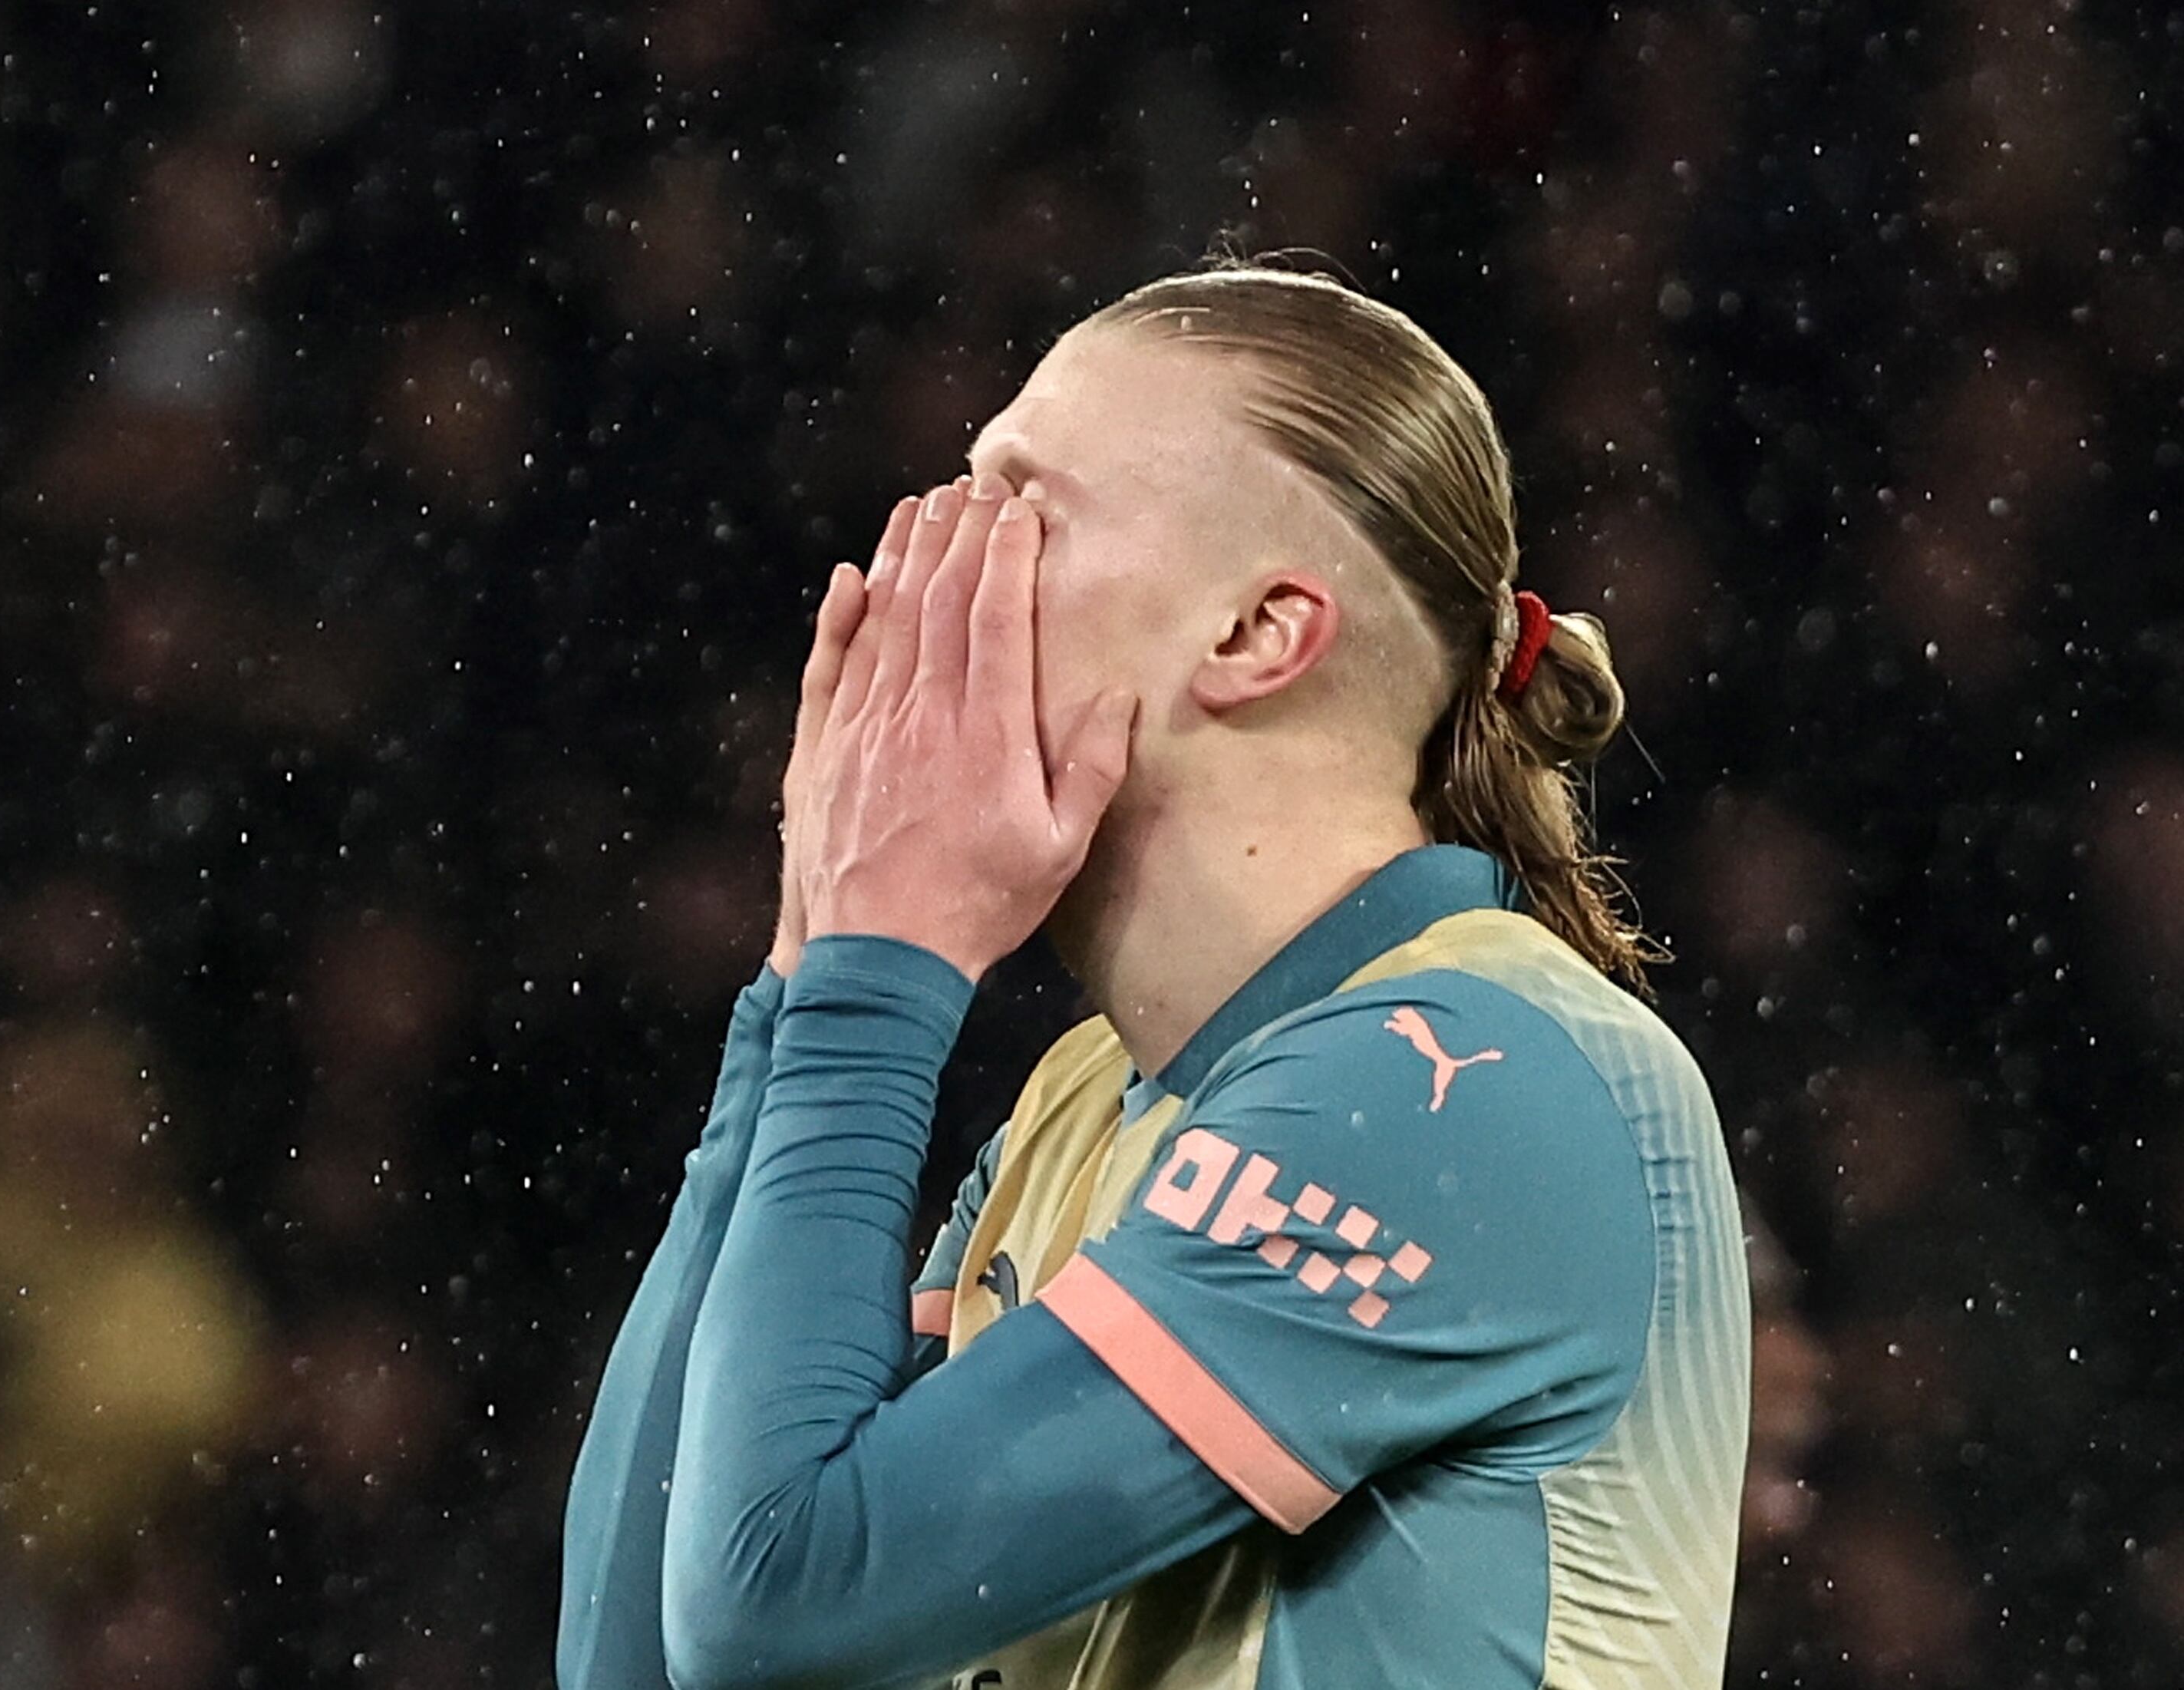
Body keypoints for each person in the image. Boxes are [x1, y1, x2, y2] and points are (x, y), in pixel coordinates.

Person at [555, 260, 1751, 1690]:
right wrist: (808, 969)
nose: (924, 573)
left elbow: (770, 1601)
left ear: (1256, 635)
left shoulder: (1465, 1080)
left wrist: (872, 985)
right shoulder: (1083, 1102)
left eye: (1019, 513)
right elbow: (646, 1657)